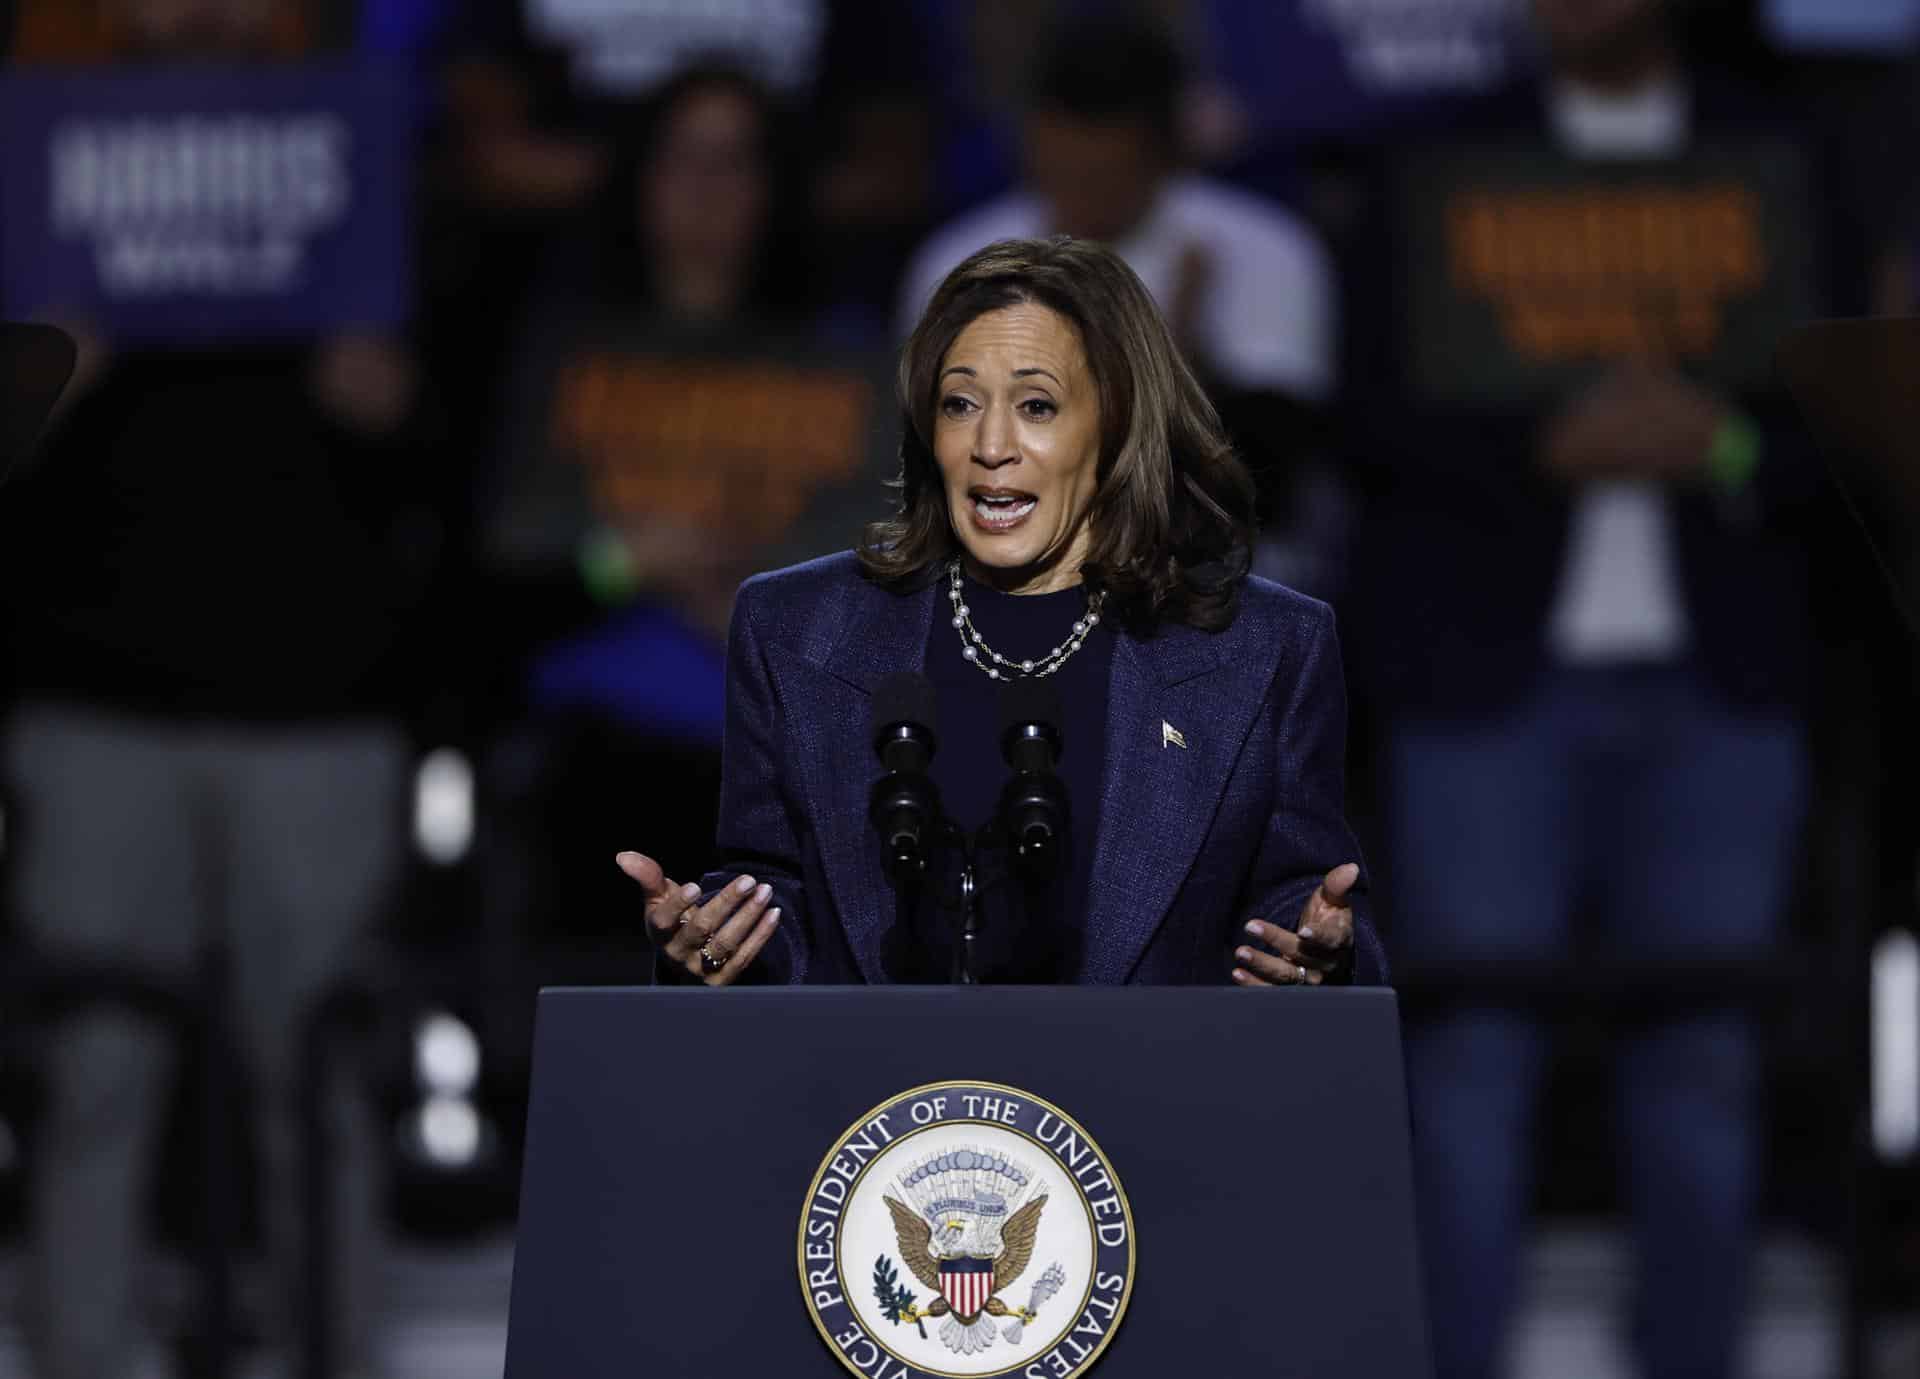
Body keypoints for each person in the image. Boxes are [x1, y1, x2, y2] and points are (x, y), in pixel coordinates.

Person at [1339, 2, 1835, 1375]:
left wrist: (1724, 443)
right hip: (1488, 684)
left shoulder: (1782, 160)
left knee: (1704, 1070)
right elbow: (1367, 413)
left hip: (1721, 684)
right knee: (1466, 1069)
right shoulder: (1435, 161)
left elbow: (1853, 421)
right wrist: (1542, 444)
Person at [616, 235, 1385, 990]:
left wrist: (1318, 956)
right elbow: (773, 906)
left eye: (1036, 405)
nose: (990, 444)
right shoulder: (798, 630)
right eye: (959, 403)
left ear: (1117, 426)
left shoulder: (1263, 646)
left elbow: (1300, 907)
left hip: (1144, 1105)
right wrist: (715, 947)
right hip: (879, 1106)